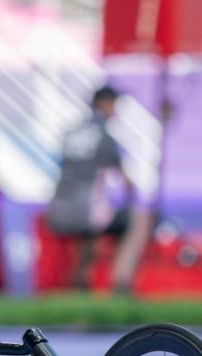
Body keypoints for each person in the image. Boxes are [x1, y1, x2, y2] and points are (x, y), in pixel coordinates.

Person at [44, 85, 140, 293]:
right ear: (104, 104)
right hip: (85, 211)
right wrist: (134, 198)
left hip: (58, 210)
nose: (115, 110)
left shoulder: (71, 132)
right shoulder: (103, 135)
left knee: (92, 229)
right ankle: (120, 283)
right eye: (113, 104)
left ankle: (80, 279)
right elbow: (126, 181)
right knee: (134, 221)